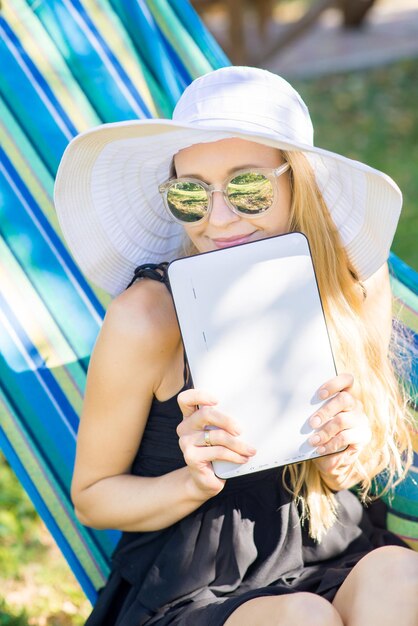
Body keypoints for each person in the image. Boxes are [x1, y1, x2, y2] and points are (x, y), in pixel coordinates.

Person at [54, 66, 418, 625]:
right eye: (190, 193)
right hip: (195, 586)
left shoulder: (353, 283)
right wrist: (193, 480)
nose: (218, 218)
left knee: (403, 579)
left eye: (248, 186)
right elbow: (93, 495)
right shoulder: (148, 319)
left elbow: (372, 450)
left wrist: (354, 452)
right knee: (302, 620)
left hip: (336, 546)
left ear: (299, 180)